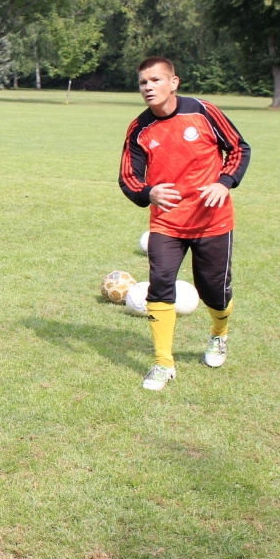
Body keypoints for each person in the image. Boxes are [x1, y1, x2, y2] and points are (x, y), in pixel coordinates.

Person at [119, 56, 251, 391]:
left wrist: (224, 182)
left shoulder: (203, 111)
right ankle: (163, 362)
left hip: (212, 221)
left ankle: (219, 335)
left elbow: (238, 149)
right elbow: (128, 178)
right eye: (142, 83)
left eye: (155, 80)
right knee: (159, 285)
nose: (148, 87)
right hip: (166, 224)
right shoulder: (140, 129)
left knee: (214, 292)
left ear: (173, 82)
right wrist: (149, 192)